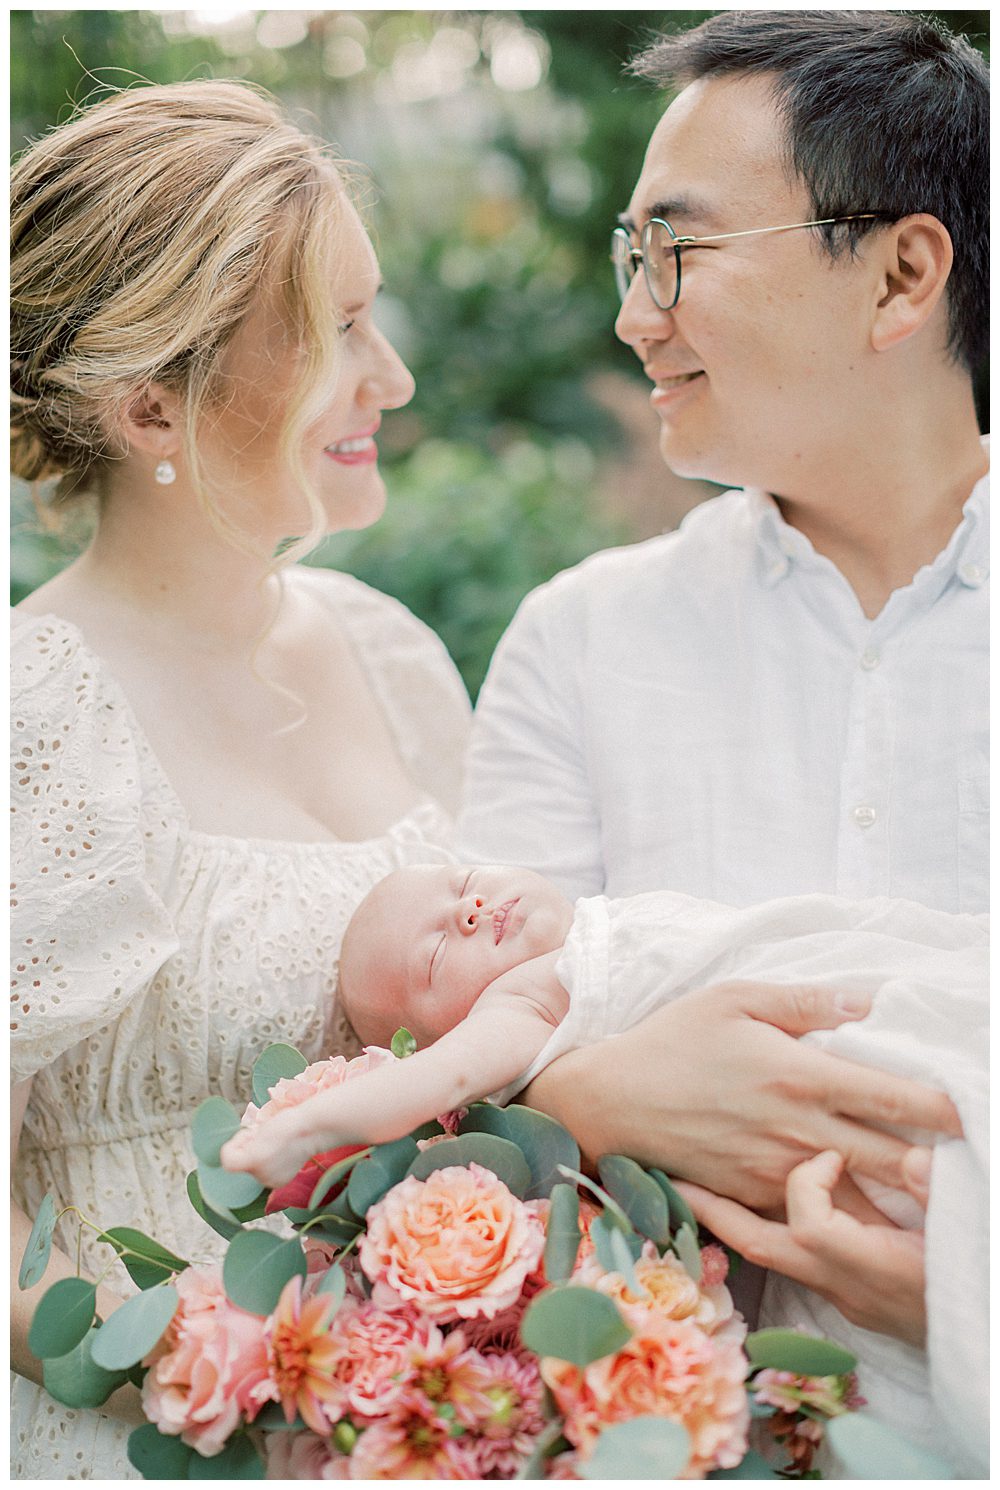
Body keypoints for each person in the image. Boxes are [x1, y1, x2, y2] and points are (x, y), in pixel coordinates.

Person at [457, 8, 988, 1353]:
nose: (636, 316)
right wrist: (601, 1100)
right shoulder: (579, 643)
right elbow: (467, 1093)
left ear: (900, 274)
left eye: (678, 249)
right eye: (632, 255)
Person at [10, 81, 470, 1480]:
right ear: (153, 403)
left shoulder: (393, 657)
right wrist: (228, 1371)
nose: (389, 376)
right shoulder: (30, 715)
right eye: (336, 332)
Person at [221, 860, 986, 1469]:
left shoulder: (600, 918)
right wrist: (305, 1127)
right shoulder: (523, 1006)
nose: (470, 908)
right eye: (436, 953)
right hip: (823, 1078)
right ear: (434, 1036)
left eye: (461, 881)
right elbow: (433, 1083)